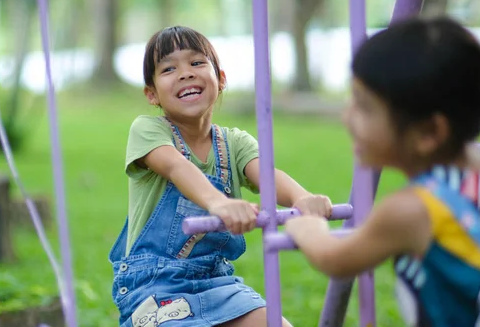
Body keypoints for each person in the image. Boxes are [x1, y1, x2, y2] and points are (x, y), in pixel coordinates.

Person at [286, 16, 480, 327]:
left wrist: (307, 228)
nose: (347, 116)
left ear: (430, 133)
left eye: (364, 107)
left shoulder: (413, 209)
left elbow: (335, 258)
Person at [109, 25, 333, 327]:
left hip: (216, 281)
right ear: (152, 94)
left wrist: (301, 197)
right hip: (154, 286)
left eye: (197, 62)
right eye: (169, 68)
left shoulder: (233, 143)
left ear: (221, 79)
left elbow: (267, 175)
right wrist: (219, 203)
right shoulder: (149, 131)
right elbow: (177, 167)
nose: (185, 73)